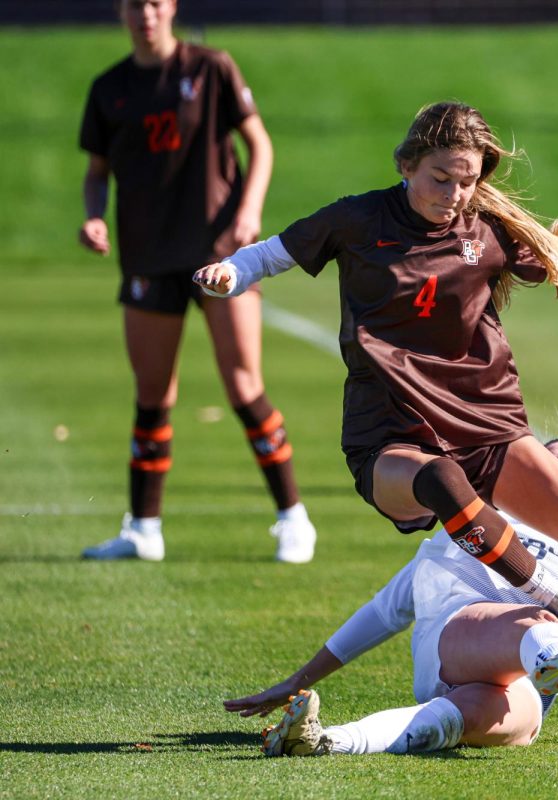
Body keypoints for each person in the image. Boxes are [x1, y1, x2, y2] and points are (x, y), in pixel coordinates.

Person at [195, 101, 558, 737]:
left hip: (491, 428)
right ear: (406, 165)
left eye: (467, 181)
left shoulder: (488, 227)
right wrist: (232, 272)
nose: (453, 194)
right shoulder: (358, 219)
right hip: (389, 439)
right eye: (440, 178)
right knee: (442, 481)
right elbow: (273, 252)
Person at [225, 427, 558, 756]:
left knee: (497, 718)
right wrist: (296, 680)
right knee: (541, 623)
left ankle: (325, 741)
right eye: (554, 462)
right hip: (456, 636)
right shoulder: (481, 525)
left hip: (522, 689)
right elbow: (383, 613)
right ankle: (553, 659)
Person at [76, 0, 316, 563]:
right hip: (146, 256)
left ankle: (293, 519)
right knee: (153, 396)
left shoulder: (210, 68)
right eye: (135, 5)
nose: (146, 14)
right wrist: (93, 216)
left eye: (155, 4)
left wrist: (250, 210)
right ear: (122, 12)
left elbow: (260, 144)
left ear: (172, 8)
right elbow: (96, 174)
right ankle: (143, 530)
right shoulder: (108, 88)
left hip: (218, 256)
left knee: (243, 385)